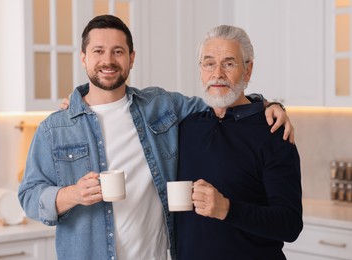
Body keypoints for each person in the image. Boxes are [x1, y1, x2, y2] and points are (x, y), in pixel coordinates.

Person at [18, 15, 294, 260]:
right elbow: (29, 196)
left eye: (118, 51)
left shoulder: (161, 107)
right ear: (83, 58)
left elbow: (222, 100)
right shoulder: (55, 128)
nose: (108, 60)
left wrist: (268, 106)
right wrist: (72, 194)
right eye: (98, 51)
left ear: (131, 58)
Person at [175, 25, 303, 260]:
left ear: (248, 70)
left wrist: (226, 209)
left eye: (229, 63)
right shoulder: (186, 127)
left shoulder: (274, 132)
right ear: (201, 70)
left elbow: (290, 224)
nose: (217, 74)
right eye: (209, 63)